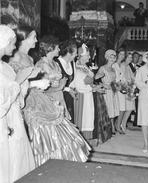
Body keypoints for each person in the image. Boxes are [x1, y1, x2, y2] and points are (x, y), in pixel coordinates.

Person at [23, 37, 91, 167]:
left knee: (65, 133)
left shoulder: (54, 63)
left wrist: (64, 88)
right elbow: (39, 88)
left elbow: (59, 83)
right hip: (47, 101)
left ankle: (65, 160)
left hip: (60, 98)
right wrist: (60, 86)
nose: (59, 49)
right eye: (57, 47)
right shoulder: (41, 64)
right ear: (50, 49)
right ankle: (52, 163)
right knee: (53, 136)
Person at [0, 25, 36, 183]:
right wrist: (19, 81)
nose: (15, 46)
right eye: (12, 43)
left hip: (14, 117)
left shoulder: (5, 66)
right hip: (4, 121)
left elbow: (16, 94)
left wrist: (25, 80)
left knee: (19, 158)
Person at [70, 43, 95, 140]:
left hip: (87, 95)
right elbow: (81, 83)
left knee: (88, 118)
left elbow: (89, 81)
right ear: (81, 56)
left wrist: (92, 86)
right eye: (88, 55)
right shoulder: (77, 67)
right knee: (82, 118)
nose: (89, 57)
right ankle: (80, 139)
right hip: (81, 96)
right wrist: (90, 82)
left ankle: (86, 138)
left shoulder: (84, 67)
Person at [95, 50, 120, 135]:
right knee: (107, 109)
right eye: (111, 56)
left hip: (112, 90)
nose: (113, 58)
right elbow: (96, 78)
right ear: (107, 57)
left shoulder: (113, 69)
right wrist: (103, 84)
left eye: (114, 56)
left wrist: (116, 86)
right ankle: (106, 127)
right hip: (106, 91)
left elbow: (115, 80)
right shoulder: (103, 68)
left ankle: (112, 126)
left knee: (112, 109)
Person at [56, 40, 77, 123]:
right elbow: (55, 84)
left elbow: (72, 81)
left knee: (71, 119)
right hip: (59, 95)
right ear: (69, 53)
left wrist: (72, 89)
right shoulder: (57, 63)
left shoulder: (72, 63)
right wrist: (68, 89)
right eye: (75, 53)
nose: (76, 55)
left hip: (68, 96)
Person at [113, 48, 127, 134]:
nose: (122, 56)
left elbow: (123, 77)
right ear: (117, 54)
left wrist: (125, 85)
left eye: (123, 54)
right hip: (115, 88)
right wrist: (118, 86)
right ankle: (114, 126)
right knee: (116, 108)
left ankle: (118, 125)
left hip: (122, 88)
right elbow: (113, 78)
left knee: (122, 108)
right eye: (120, 54)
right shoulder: (114, 65)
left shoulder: (122, 65)